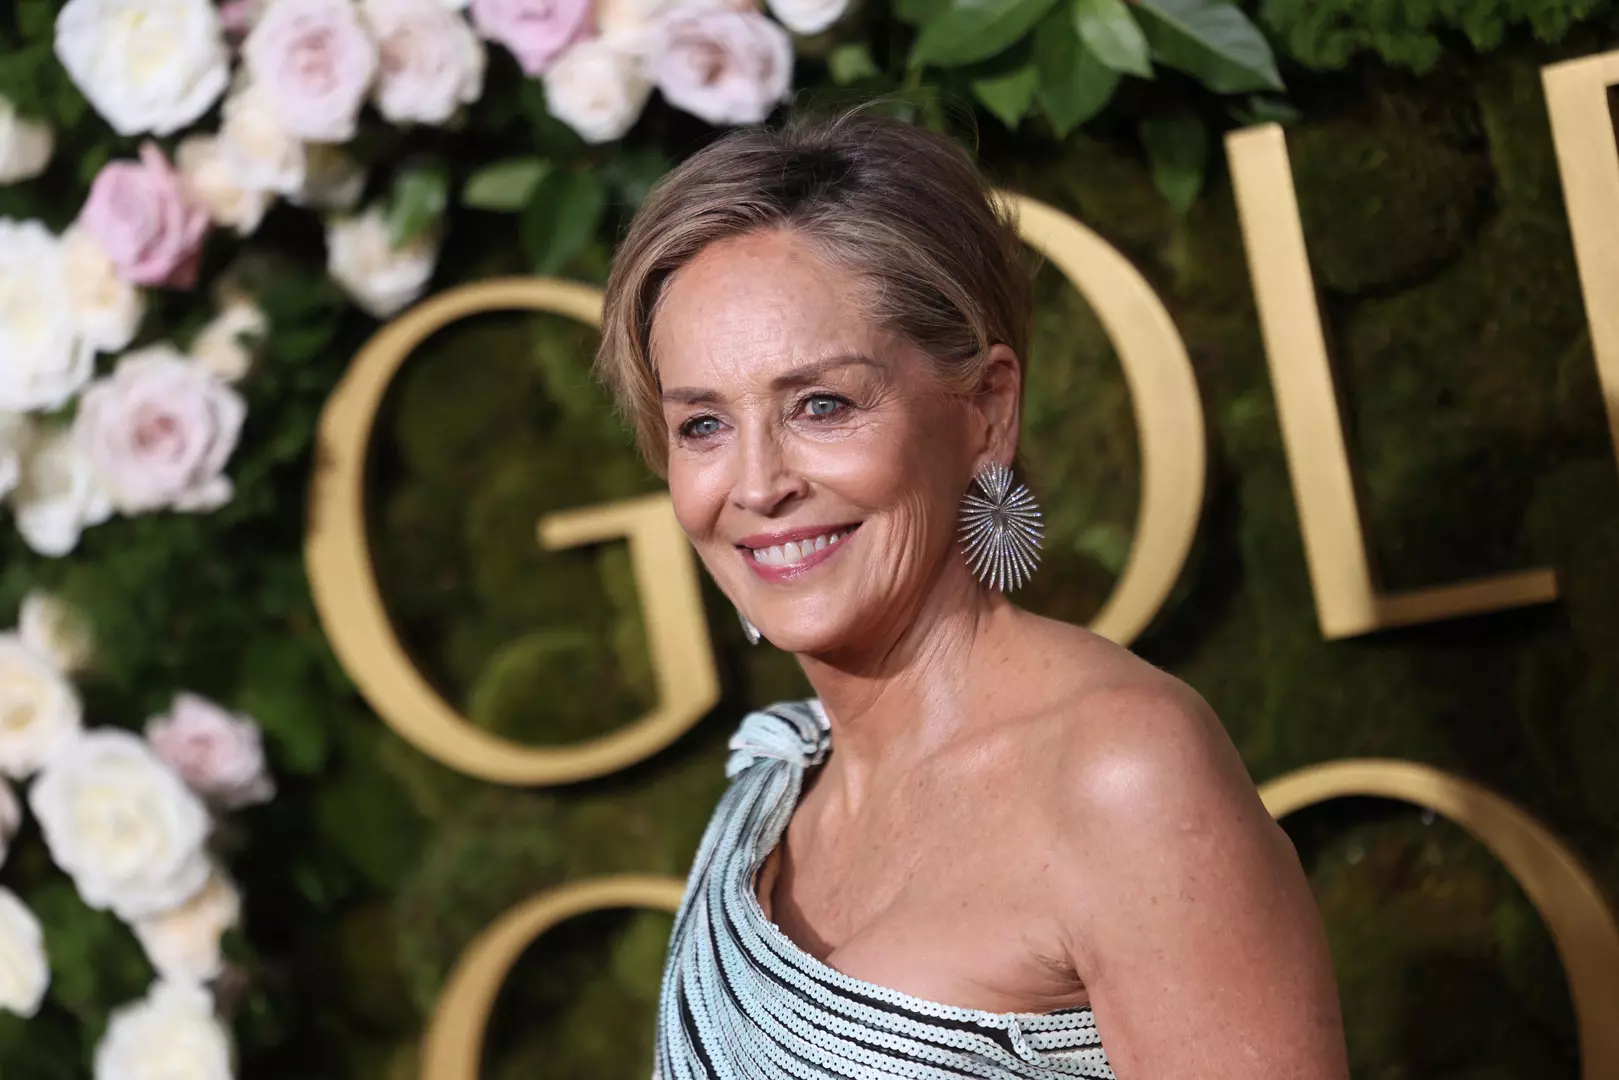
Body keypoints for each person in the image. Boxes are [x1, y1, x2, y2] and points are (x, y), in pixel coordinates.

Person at [596, 109, 1349, 1079]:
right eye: (702, 425)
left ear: (987, 409)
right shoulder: (766, 791)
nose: (756, 484)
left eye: (820, 405)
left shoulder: (1122, 774)